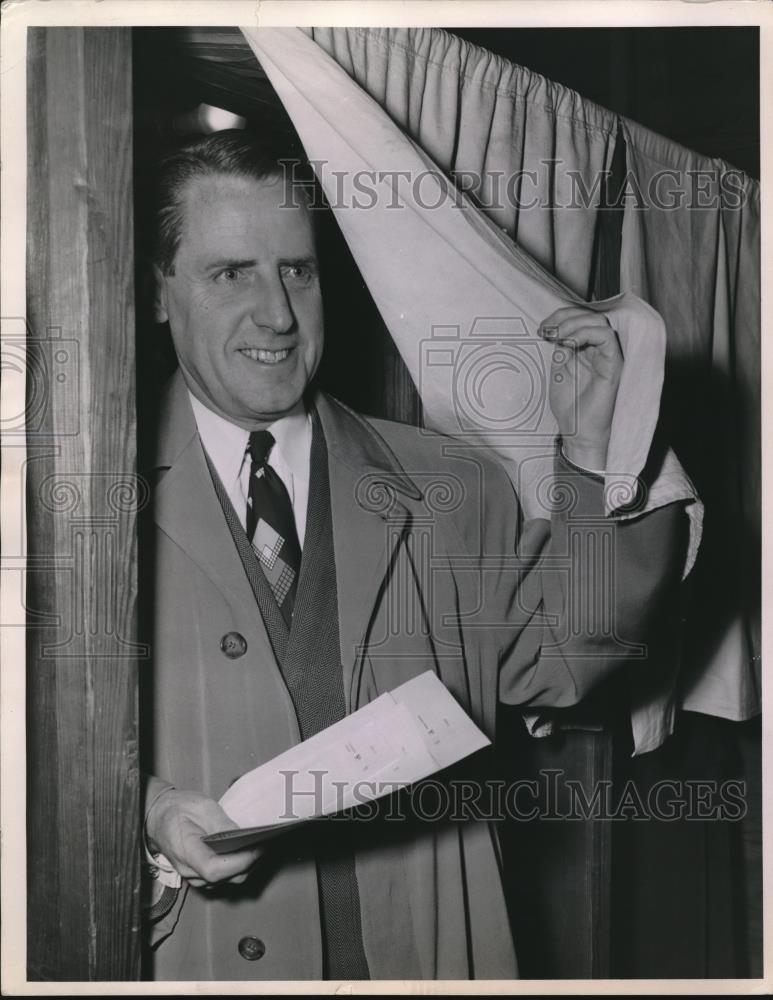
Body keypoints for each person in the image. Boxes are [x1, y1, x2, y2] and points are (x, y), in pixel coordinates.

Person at [139, 129, 687, 980]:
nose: (278, 313)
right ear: (160, 292)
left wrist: (589, 456)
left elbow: (562, 662)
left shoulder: (452, 483)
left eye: (298, 270)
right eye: (230, 273)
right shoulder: (87, 504)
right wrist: (144, 806)